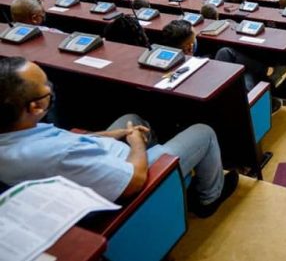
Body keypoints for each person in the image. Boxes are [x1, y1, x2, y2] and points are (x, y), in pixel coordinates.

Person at [0, 57, 239, 218]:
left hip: (98, 164)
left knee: (131, 118)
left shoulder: (14, 133)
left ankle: (169, 159)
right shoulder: (59, 155)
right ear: (34, 107)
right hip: (133, 178)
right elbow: (133, 182)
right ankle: (209, 198)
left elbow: (63, 142)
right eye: (45, 87)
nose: (50, 88)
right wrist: (136, 145)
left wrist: (110, 135)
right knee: (203, 132)